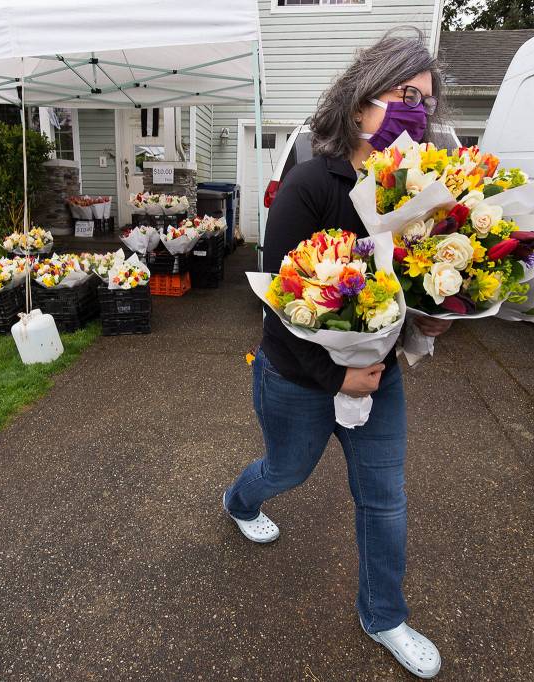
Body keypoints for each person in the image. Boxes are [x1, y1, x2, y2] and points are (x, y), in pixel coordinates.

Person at [222, 32, 451, 680]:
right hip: (297, 378)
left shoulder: (414, 196)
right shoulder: (308, 186)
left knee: (384, 498)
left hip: (376, 379)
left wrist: (430, 322)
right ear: (359, 105)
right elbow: (278, 302)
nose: (418, 113)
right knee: (286, 473)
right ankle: (240, 500)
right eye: (405, 96)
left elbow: (407, 292)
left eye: (426, 103)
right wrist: (334, 374)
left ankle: (384, 615)